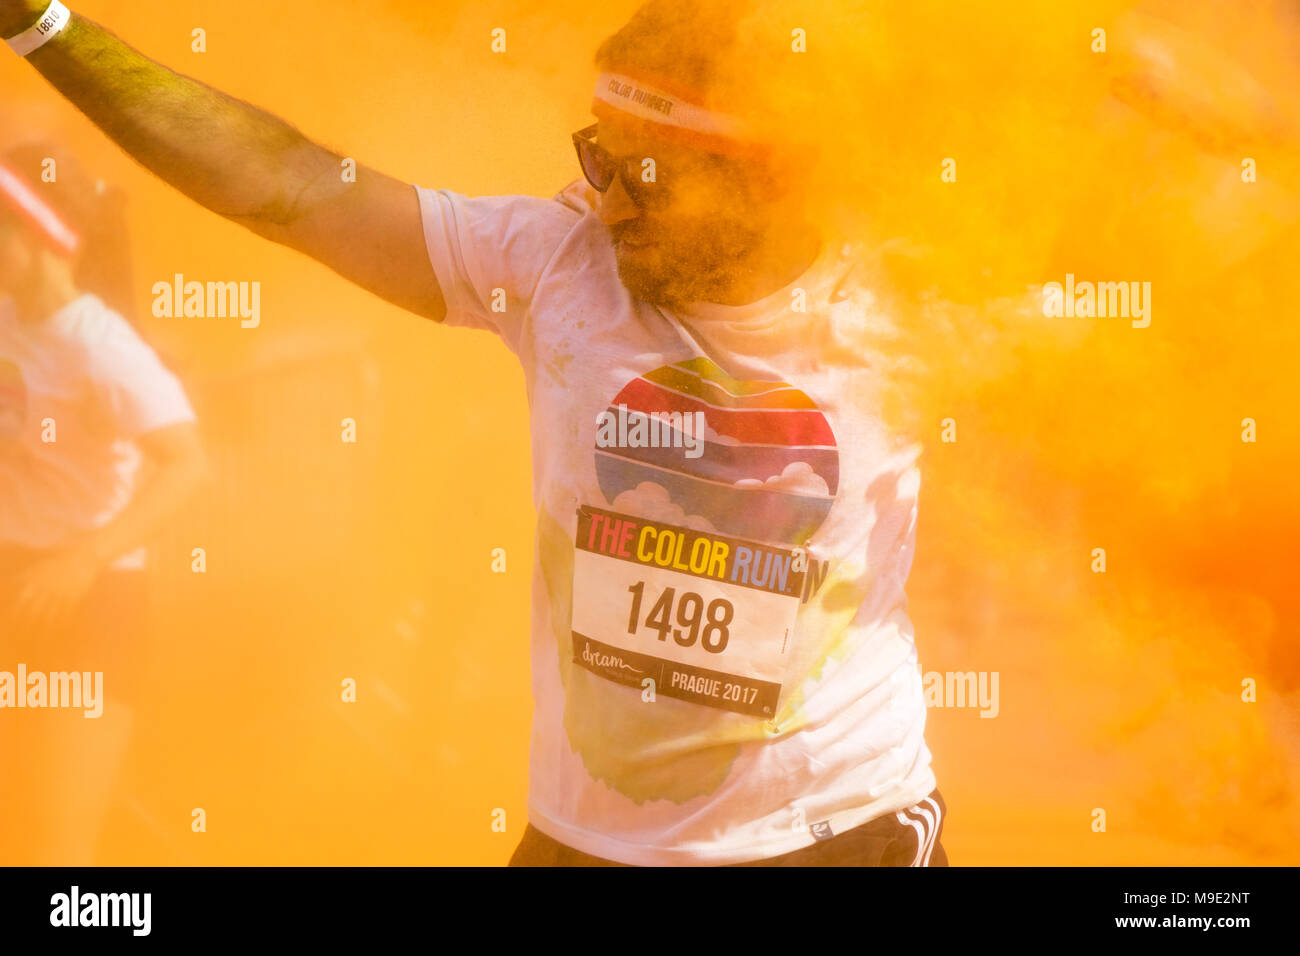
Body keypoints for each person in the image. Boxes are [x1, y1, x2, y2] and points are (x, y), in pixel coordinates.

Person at [0, 0, 947, 866]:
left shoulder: (916, 314)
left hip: (839, 830)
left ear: (763, 178)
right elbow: (284, 181)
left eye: (647, 177)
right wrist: (42, 26)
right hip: (586, 841)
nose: (608, 203)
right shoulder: (553, 265)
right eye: (597, 159)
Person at [0, 140, 207, 863]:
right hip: (12, 588)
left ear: (34, 235)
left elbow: (188, 465)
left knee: (58, 851)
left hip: (90, 608)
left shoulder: (101, 347)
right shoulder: (5, 318)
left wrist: (82, 561)